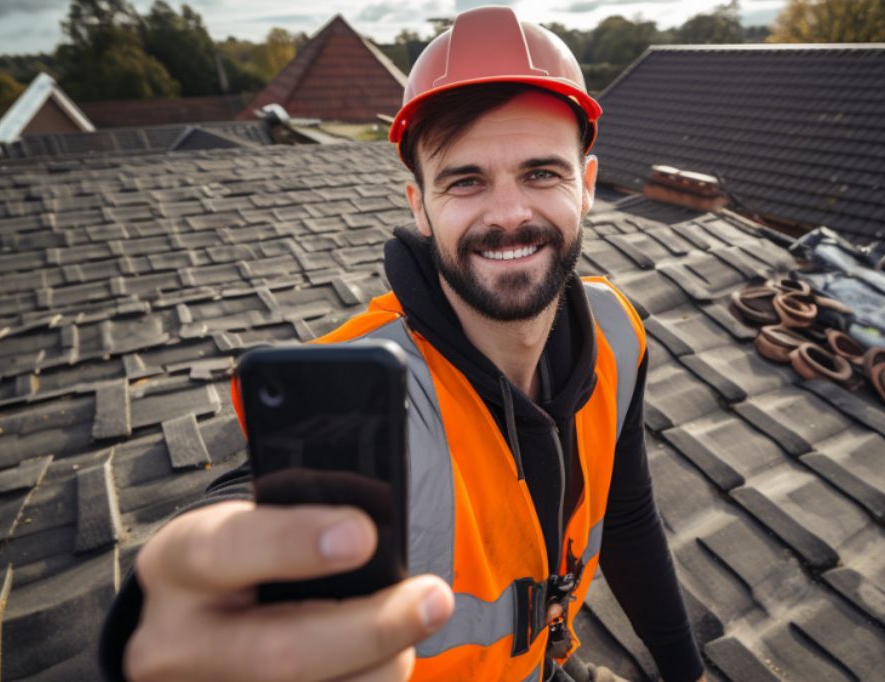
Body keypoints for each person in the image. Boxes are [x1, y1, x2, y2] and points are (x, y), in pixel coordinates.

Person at [100, 7, 706, 682]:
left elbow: (625, 516)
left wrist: (686, 672)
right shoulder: (366, 390)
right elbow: (240, 533)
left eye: (541, 173)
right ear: (418, 204)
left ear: (586, 186)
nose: (509, 214)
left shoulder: (615, 330)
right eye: (465, 180)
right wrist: (167, 612)